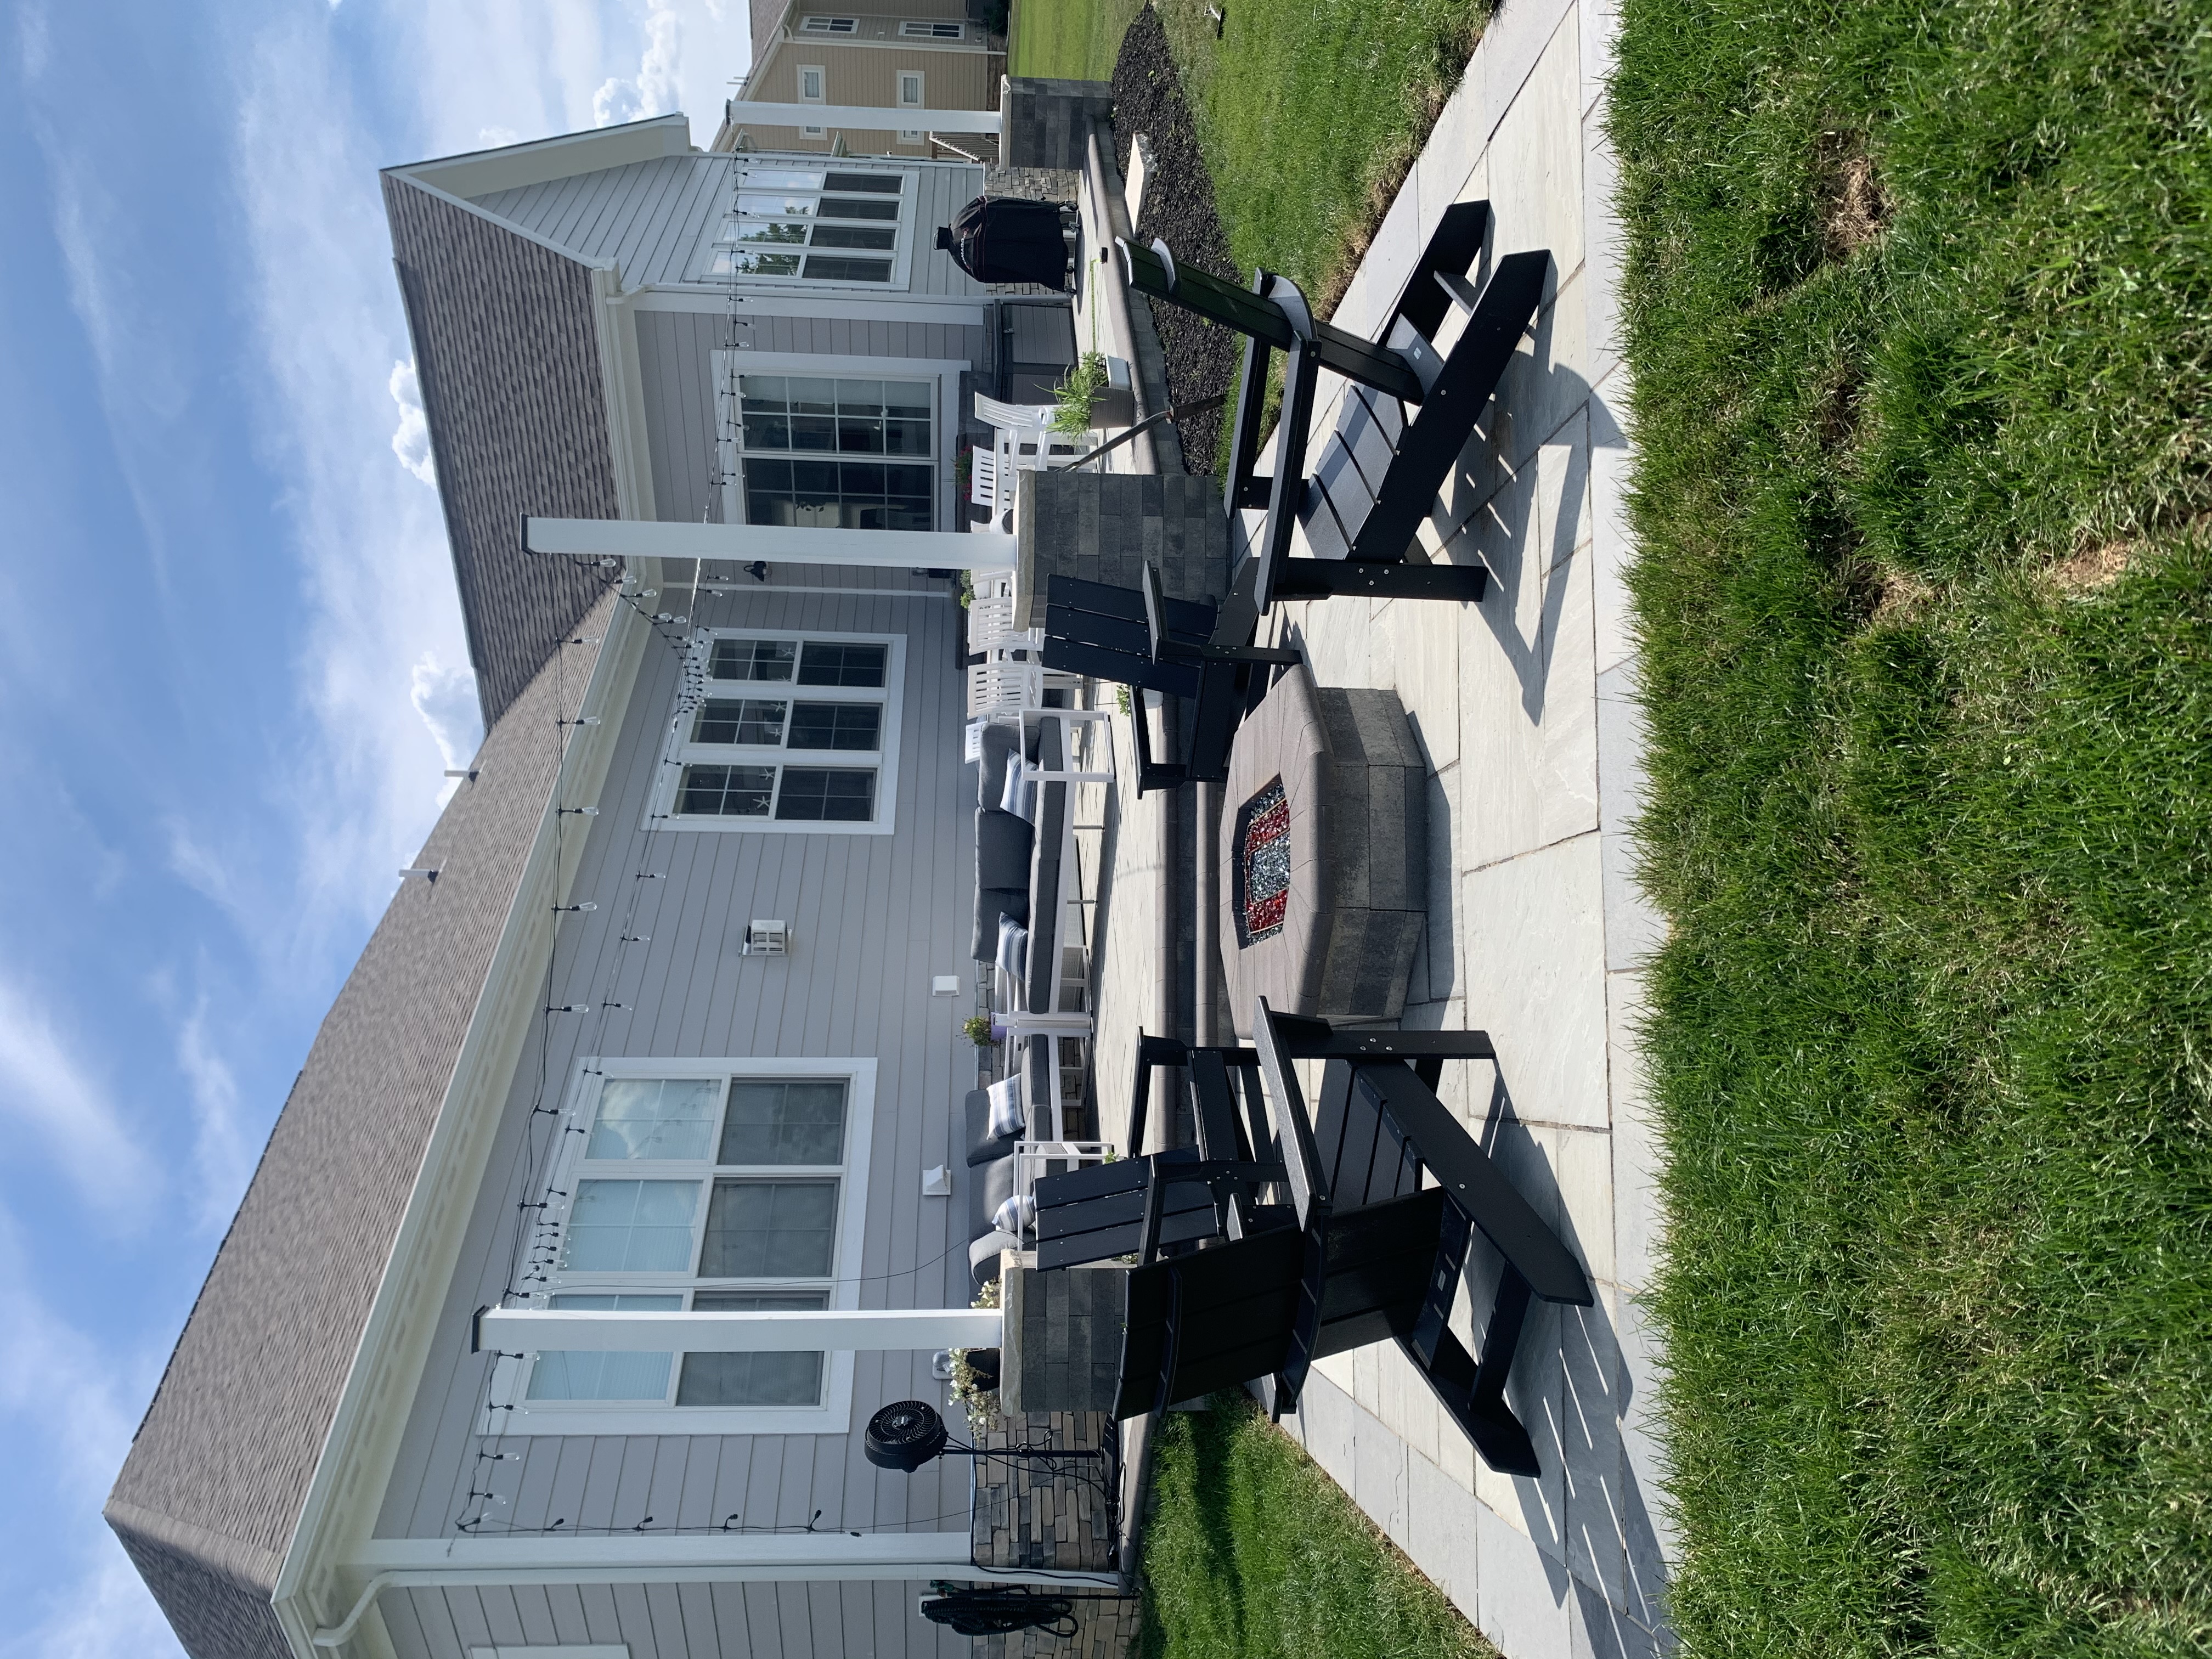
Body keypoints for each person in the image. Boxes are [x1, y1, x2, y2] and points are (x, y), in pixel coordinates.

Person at [935, 193, 1073, 289]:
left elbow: (982, 277)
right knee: (1032, 227)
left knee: (1031, 255)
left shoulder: (959, 260)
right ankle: (1059, 217)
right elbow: (984, 202)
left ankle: (1059, 269)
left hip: (1009, 258)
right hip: (1007, 227)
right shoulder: (958, 223)